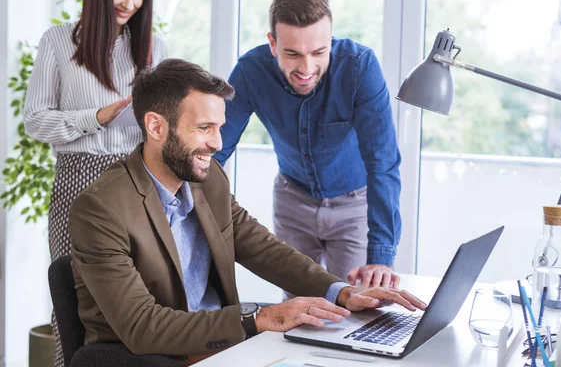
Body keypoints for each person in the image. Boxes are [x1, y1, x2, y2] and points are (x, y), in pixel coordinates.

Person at [68, 59, 426, 362]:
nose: (218, 143)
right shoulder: (101, 209)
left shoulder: (208, 180)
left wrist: (340, 292)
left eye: (220, 127)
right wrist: (259, 316)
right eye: (204, 128)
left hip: (223, 345)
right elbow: (142, 328)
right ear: (155, 126)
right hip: (153, 356)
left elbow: (264, 250)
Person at [214, 0, 402, 289]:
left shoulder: (360, 67)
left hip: (355, 206)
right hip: (292, 202)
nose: (307, 68)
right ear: (272, 44)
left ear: (330, 40)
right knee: (298, 309)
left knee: (356, 306)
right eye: (292, 54)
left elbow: (382, 161)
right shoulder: (251, 70)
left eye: (319, 52)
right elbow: (216, 147)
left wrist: (381, 254)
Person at [23, 0, 167, 365]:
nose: (129, 4)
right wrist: (97, 117)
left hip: (138, 178)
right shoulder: (58, 41)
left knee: (141, 294)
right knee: (72, 293)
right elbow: (35, 120)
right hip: (77, 176)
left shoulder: (156, 46)